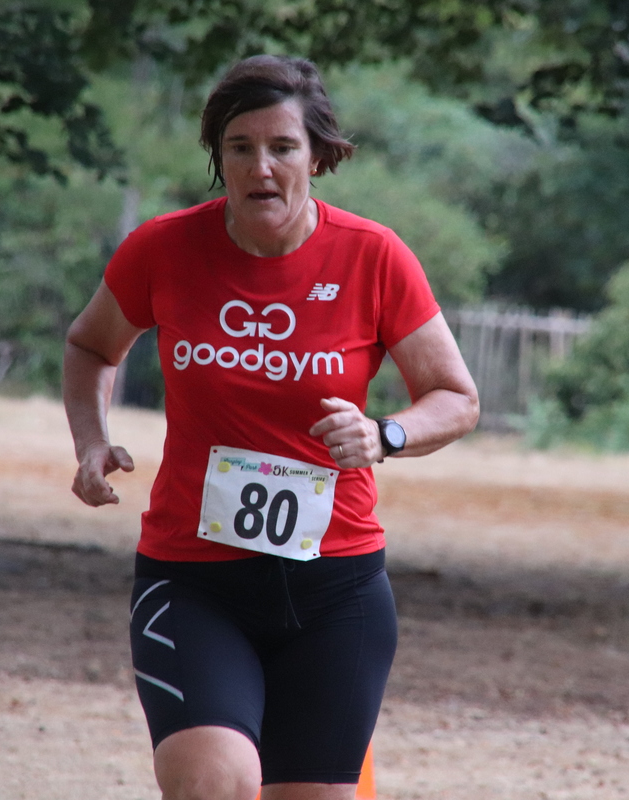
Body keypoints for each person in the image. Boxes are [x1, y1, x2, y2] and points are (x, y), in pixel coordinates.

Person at [62, 54, 479, 800]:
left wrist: (384, 435)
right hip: (193, 580)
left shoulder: (372, 255)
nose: (262, 166)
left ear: (316, 156)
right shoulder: (165, 248)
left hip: (337, 591)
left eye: (283, 146)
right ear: (218, 157)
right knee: (214, 782)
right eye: (240, 147)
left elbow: (455, 396)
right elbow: (91, 346)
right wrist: (90, 440)